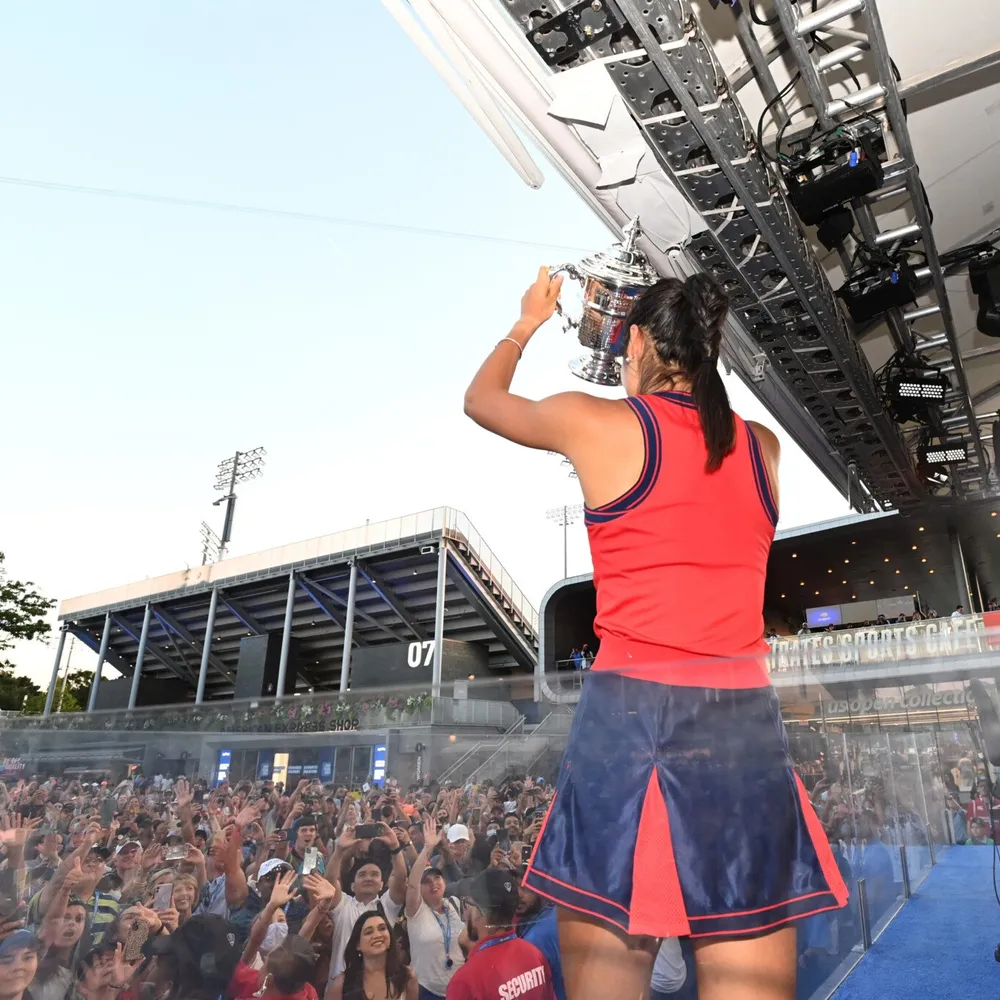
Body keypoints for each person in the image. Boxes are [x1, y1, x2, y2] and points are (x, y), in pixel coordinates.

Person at [463, 269, 848, 1000]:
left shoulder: (599, 422)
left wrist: (526, 322)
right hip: (741, 731)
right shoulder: (762, 446)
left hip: (627, 722)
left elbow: (481, 402)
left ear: (635, 341)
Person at [445, 869, 554, 1000]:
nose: (468, 912)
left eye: (469, 905)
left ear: (481, 912)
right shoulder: (535, 955)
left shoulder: (465, 982)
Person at [327, 911, 417, 1000]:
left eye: (382, 928)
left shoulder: (407, 976)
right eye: (369, 932)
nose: (377, 935)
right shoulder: (341, 985)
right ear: (358, 945)